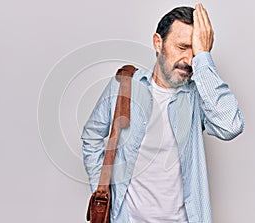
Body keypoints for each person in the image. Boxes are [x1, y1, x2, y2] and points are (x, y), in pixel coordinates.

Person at [82, 3, 244, 223]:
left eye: (195, 51)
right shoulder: (125, 86)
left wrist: (204, 58)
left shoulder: (198, 96)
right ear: (158, 43)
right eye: (182, 47)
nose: (189, 60)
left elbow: (231, 126)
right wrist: (102, 189)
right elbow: (91, 136)